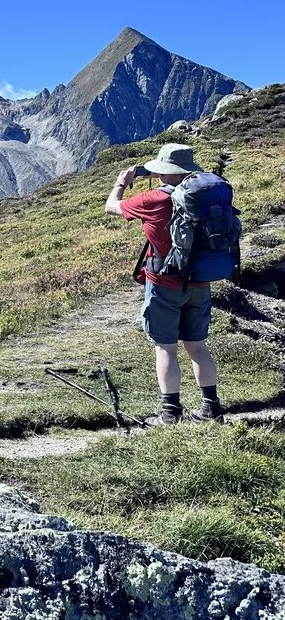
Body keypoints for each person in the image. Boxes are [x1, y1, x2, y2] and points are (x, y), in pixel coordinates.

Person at [105, 143, 224, 424]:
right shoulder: (204, 197)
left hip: (164, 284)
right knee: (198, 347)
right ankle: (211, 408)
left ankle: (170, 414)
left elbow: (111, 207)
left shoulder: (154, 200)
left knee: (166, 347)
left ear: (163, 172)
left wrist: (121, 183)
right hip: (200, 282)